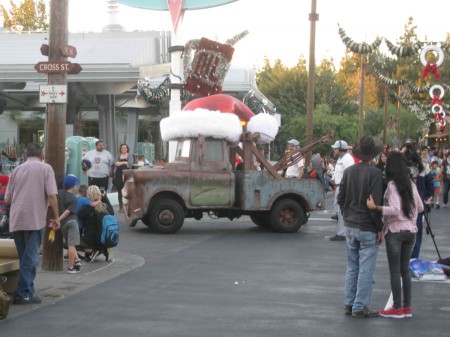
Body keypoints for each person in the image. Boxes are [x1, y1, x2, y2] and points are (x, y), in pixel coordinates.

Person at [367, 151, 423, 318]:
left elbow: (395, 209)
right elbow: (420, 207)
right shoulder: (411, 183)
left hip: (395, 232)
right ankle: (407, 307)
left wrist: (376, 208)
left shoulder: (392, 185)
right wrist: (411, 217)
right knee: (405, 271)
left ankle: (396, 308)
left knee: (394, 271)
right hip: (411, 231)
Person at [4, 142, 60, 305]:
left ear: (26, 154)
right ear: (41, 154)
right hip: (34, 218)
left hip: (16, 218)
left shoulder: (17, 170)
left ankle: (27, 291)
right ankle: (21, 293)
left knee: (25, 257)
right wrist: (56, 217)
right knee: (31, 258)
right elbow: (52, 196)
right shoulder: (45, 168)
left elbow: (7, 199)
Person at [338, 136, 383, 318]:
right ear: (372, 155)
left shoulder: (349, 171)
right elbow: (375, 204)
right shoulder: (375, 174)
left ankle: (349, 303)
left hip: (350, 223)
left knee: (352, 266)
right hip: (367, 225)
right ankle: (360, 305)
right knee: (366, 268)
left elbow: (341, 198)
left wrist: (347, 213)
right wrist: (379, 228)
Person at [402, 143, 433, 259]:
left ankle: (404, 259)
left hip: (403, 204)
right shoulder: (423, 165)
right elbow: (430, 184)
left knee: (402, 231)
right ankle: (414, 259)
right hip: (419, 204)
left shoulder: (401, 165)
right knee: (417, 233)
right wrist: (427, 198)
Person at [53, 174, 82, 274]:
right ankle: (71, 267)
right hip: (72, 221)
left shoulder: (59, 193)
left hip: (64, 225)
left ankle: (77, 260)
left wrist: (58, 220)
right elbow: (68, 211)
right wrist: (58, 220)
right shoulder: (74, 199)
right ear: (74, 186)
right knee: (72, 245)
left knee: (70, 243)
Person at [78, 185, 114, 262]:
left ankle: (92, 250)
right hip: (105, 238)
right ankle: (104, 248)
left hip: (91, 239)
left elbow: (77, 216)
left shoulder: (87, 208)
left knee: (73, 240)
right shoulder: (105, 206)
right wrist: (104, 198)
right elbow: (112, 213)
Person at [330, 140, 355, 240]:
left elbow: (350, 175)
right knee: (340, 212)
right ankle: (341, 232)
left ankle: (343, 233)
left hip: (344, 188)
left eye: (335, 148)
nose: (334, 150)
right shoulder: (341, 158)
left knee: (342, 211)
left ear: (340, 149)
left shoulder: (348, 159)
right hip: (339, 187)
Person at [113, 144, 132, 213]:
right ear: (120, 149)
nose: (124, 149)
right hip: (118, 174)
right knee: (119, 190)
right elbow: (115, 163)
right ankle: (120, 206)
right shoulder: (118, 155)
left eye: (125, 148)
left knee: (126, 190)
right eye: (122, 148)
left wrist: (120, 162)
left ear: (127, 149)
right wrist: (124, 162)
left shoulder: (129, 155)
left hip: (126, 174)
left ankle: (126, 206)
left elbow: (129, 164)